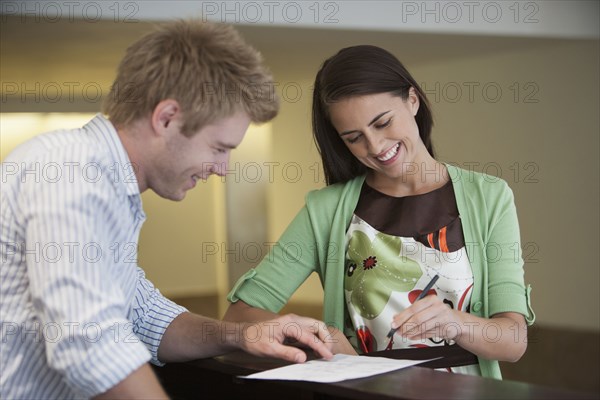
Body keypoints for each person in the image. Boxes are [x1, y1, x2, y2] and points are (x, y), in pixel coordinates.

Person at [0, 20, 335, 400]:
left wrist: (241, 334)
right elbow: (91, 345)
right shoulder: (71, 170)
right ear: (166, 118)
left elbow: (145, 318)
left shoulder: (110, 189)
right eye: (219, 148)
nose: (223, 168)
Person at [224, 45, 536, 379]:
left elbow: (513, 341)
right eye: (354, 138)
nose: (374, 147)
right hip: (365, 390)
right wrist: (322, 337)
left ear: (412, 100)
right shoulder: (326, 210)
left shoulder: (488, 197)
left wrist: (459, 323)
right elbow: (239, 317)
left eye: (383, 122)